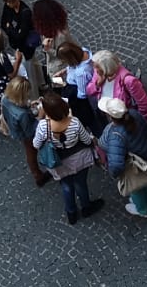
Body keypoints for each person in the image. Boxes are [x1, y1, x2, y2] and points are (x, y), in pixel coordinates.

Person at [35, 92, 102, 224]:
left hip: (58, 162)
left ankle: (71, 213)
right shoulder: (75, 123)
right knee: (81, 184)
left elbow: (36, 144)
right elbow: (87, 140)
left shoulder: (43, 127)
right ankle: (86, 207)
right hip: (79, 160)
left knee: (66, 185)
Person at [99, 96, 147, 218]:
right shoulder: (134, 114)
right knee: (146, 182)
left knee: (136, 188)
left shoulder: (116, 135)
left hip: (134, 167)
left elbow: (115, 164)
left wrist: (114, 174)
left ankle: (143, 210)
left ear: (111, 117)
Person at [2, 76, 49, 186]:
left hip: (17, 129)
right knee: (31, 152)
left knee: (29, 151)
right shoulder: (22, 115)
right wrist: (41, 116)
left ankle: (37, 173)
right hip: (26, 134)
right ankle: (38, 175)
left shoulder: (6, 99)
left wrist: (30, 105)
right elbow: (30, 132)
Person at [88, 50, 147, 122]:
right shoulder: (99, 74)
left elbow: (144, 105)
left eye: (97, 67)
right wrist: (98, 84)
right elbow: (89, 91)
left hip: (126, 120)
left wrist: (140, 124)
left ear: (106, 68)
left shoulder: (128, 81)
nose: (95, 70)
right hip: (111, 116)